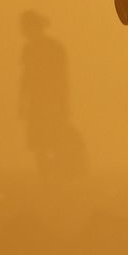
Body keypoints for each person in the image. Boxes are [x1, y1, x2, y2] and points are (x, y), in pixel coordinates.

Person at [18, 10, 87, 180]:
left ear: (37, 27)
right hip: (37, 102)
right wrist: (22, 100)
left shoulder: (54, 48)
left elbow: (62, 78)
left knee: (55, 141)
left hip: (53, 102)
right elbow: (26, 76)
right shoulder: (29, 49)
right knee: (39, 144)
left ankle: (58, 175)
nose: (25, 31)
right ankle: (45, 178)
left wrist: (63, 102)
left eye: (28, 27)